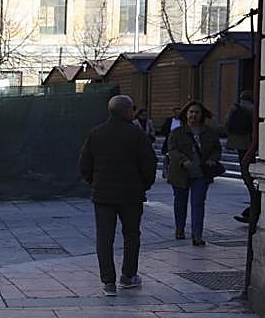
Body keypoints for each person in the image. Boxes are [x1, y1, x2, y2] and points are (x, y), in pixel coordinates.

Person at [78, 95, 158, 296]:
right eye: (132, 109)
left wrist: (94, 182)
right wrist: (144, 185)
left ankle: (108, 282)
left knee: (104, 238)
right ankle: (128, 276)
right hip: (131, 195)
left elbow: (84, 164)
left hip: (103, 195)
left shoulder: (96, 133)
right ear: (126, 111)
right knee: (131, 235)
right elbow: (149, 163)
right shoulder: (137, 135)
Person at [167, 101, 222, 247]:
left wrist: (212, 159)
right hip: (180, 173)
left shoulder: (209, 132)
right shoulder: (177, 132)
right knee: (180, 203)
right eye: (191, 112)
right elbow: (171, 150)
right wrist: (183, 159)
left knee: (198, 204)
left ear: (202, 115)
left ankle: (197, 235)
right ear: (185, 114)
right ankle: (180, 228)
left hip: (201, 174)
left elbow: (217, 149)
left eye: (197, 112)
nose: (193, 115)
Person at [225, 90, 256, 223]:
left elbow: (227, 124)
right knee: (249, 178)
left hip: (242, 145)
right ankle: (252, 210)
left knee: (248, 178)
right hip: (249, 145)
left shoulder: (236, 108)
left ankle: (253, 211)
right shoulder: (254, 109)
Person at [161, 107, 183, 179]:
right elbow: (163, 130)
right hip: (169, 141)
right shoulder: (169, 120)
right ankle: (166, 172)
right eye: (176, 112)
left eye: (179, 112)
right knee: (167, 158)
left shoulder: (183, 121)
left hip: (180, 143)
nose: (177, 114)